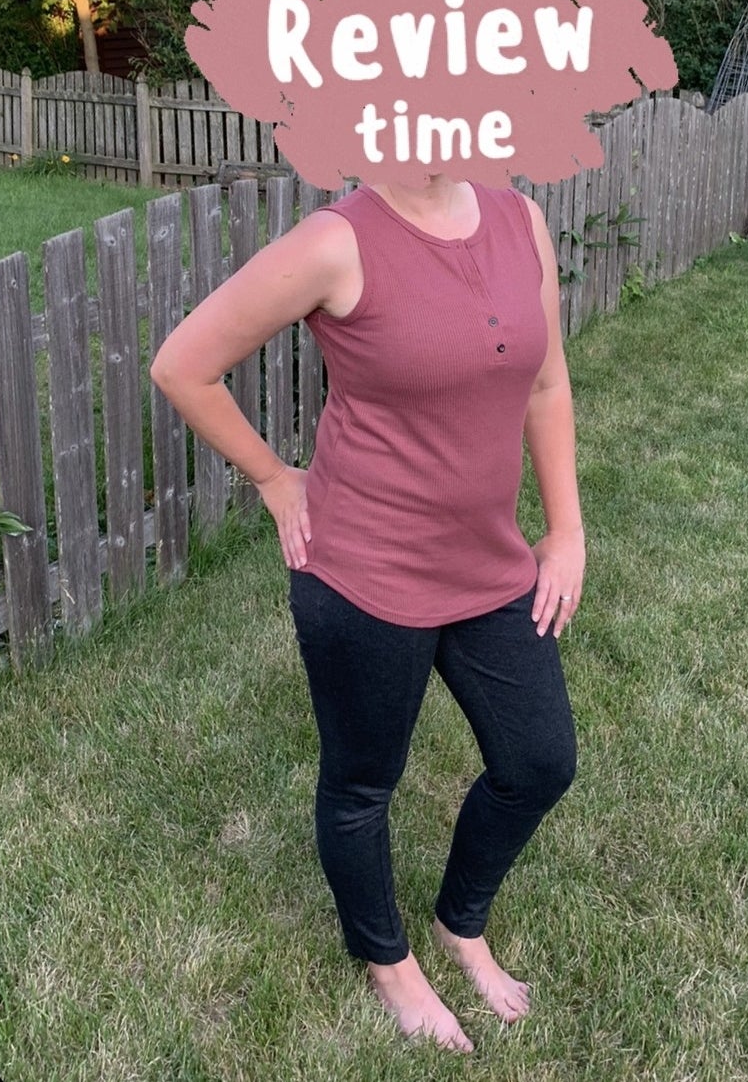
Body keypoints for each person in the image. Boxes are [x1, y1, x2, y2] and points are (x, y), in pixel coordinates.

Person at [150, 173, 584, 1053]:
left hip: (488, 562)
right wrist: (276, 480)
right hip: (361, 572)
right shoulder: (335, 242)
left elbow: (544, 384)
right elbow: (182, 365)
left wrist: (567, 528)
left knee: (539, 760)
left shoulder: (519, 218)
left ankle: (461, 922)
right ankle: (388, 960)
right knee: (362, 784)